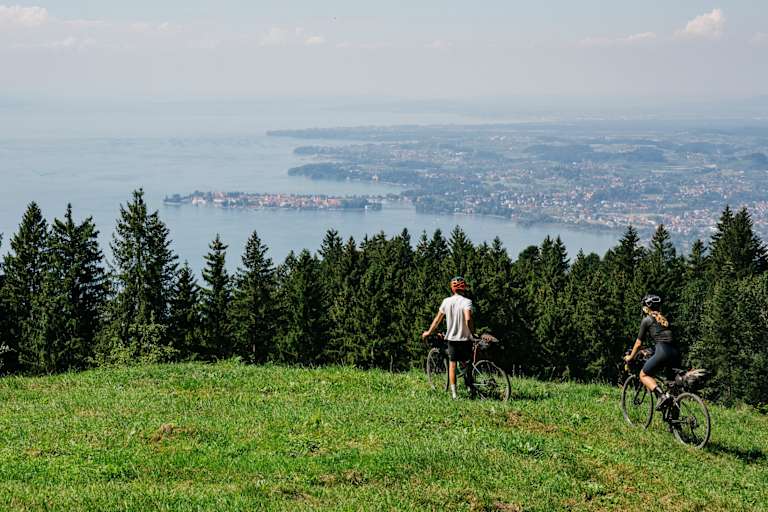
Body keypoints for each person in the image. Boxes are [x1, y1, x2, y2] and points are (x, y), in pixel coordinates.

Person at [624, 294, 680, 410]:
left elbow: (638, 344)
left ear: (646, 308)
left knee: (643, 374)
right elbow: (666, 340)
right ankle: (675, 423)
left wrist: (630, 357)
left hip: (663, 352)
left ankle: (661, 396)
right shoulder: (664, 320)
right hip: (675, 353)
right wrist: (650, 351)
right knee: (672, 390)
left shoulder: (647, 320)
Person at [422, 276, 475, 399]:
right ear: (464, 288)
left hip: (452, 339)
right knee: (467, 364)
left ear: (452, 289)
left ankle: (454, 394)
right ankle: (469, 388)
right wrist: (472, 332)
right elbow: (468, 319)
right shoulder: (467, 302)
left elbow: (437, 320)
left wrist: (428, 332)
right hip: (465, 339)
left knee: (452, 365)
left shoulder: (446, 301)